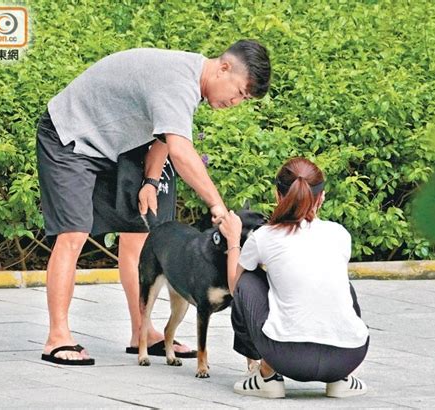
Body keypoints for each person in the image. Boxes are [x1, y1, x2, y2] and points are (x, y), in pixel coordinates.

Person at [37, 40, 271, 365]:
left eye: (244, 99)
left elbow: (162, 135)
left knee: (139, 233)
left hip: (116, 145)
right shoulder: (178, 80)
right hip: (70, 137)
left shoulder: (190, 81)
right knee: (73, 234)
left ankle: (142, 332)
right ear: (224, 67)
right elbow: (180, 149)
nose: (237, 101)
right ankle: (57, 337)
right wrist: (217, 205)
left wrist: (150, 180)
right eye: (240, 92)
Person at [219, 157, 369, 398]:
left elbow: (235, 287)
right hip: (349, 355)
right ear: (321, 197)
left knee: (247, 280)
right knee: (339, 283)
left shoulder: (264, 236)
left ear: (278, 195)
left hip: (287, 358)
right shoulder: (340, 234)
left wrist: (233, 240)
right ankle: (341, 380)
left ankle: (268, 377)